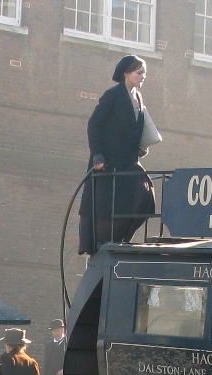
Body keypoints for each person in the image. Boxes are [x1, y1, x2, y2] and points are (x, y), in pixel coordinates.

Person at [79, 54, 156, 256]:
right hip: (109, 162)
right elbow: (94, 124)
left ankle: (121, 237)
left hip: (129, 160)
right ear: (126, 73)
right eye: (139, 72)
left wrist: (141, 147)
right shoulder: (113, 95)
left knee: (145, 195)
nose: (143, 76)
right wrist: (97, 155)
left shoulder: (138, 98)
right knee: (107, 207)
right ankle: (103, 243)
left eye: (144, 73)